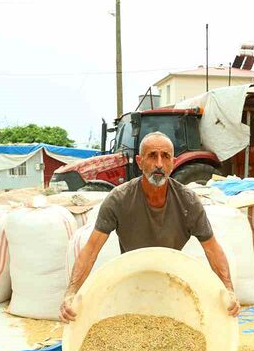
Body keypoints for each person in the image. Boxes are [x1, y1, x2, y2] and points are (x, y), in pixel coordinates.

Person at [59, 131, 240, 322]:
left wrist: (228, 289)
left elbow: (212, 250)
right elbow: (91, 250)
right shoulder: (119, 199)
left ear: (173, 162)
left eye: (165, 157)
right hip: (132, 280)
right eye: (152, 156)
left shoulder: (188, 202)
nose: (159, 164)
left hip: (172, 281)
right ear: (139, 161)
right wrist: (71, 293)